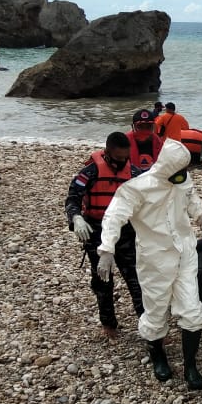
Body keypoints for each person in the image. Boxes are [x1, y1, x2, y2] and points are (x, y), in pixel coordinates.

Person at [98, 140, 202, 389]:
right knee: (156, 309)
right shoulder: (137, 189)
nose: (183, 174)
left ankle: (190, 365)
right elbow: (114, 216)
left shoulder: (182, 181)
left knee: (192, 310)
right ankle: (157, 355)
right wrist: (107, 248)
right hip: (155, 259)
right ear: (166, 166)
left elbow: (191, 198)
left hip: (185, 254)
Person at [64, 132, 145, 338]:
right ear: (107, 153)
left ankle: (150, 326)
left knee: (137, 279)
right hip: (96, 230)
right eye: (118, 159)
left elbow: (147, 202)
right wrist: (76, 218)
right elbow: (73, 198)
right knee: (102, 280)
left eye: (125, 158)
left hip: (125, 232)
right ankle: (108, 324)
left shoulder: (134, 173)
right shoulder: (90, 172)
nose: (122, 162)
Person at [126, 108, 163, 176]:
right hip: (131, 179)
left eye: (148, 127)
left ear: (152, 127)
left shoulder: (157, 141)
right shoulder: (125, 141)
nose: (144, 130)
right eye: (140, 126)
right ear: (133, 126)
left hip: (152, 178)